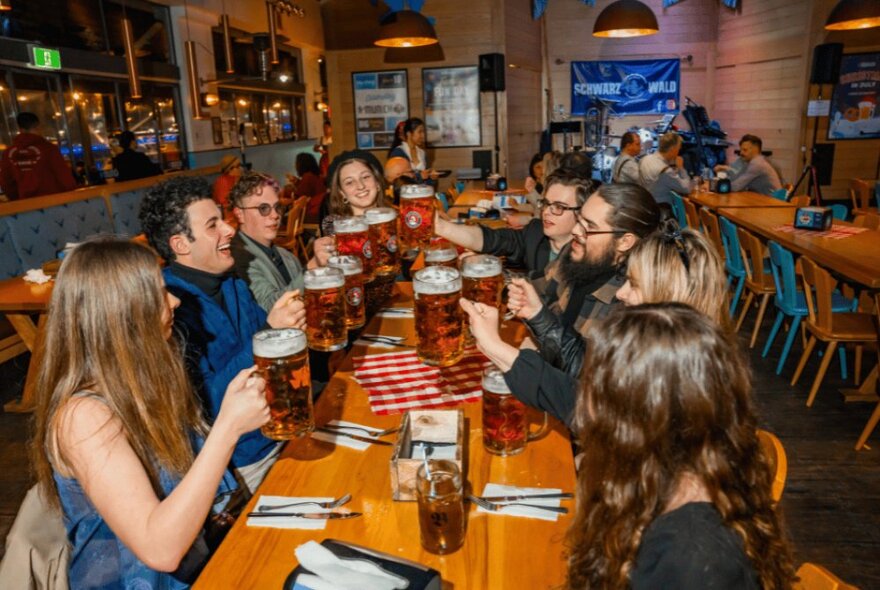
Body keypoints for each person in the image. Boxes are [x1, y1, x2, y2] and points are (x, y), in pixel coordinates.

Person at [32, 238, 270, 587]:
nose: (174, 300)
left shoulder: (149, 379)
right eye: (159, 293)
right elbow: (160, 550)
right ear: (124, 311)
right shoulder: (82, 417)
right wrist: (228, 429)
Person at [566, 303, 796, 588]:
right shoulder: (678, 477)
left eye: (593, 383)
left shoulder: (690, 558)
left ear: (635, 415)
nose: (584, 400)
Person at [463, 220, 727, 428]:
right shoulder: (676, 349)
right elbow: (591, 366)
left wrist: (495, 347)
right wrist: (538, 315)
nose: (621, 293)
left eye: (634, 285)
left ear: (668, 295)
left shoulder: (680, 381)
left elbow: (592, 410)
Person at [140, 175, 305, 492]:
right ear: (180, 244)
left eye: (223, 219)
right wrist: (270, 332)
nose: (229, 229)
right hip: (239, 465)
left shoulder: (231, 282)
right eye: (213, 225)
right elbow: (204, 404)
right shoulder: (168, 309)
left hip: (280, 431)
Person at [435, 168, 594, 279]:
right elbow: (493, 239)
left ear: (582, 213)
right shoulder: (535, 232)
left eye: (559, 207)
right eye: (546, 203)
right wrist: (441, 227)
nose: (546, 212)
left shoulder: (589, 255)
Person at [0, 112, 76, 200]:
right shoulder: (49, 149)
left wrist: (18, 199)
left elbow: (6, 182)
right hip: (54, 201)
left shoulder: (8, 154)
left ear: (20, 129)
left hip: (27, 204)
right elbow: (64, 177)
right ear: (38, 127)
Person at [319, 150, 387, 234]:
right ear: (341, 192)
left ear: (377, 182)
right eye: (349, 182)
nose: (360, 186)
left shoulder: (397, 220)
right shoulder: (340, 233)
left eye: (365, 177)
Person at [714, 134, 783, 196]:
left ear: (755, 150)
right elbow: (736, 177)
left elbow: (736, 186)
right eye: (741, 150)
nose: (741, 153)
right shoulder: (751, 162)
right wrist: (725, 169)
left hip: (775, 203)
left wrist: (714, 185)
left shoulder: (757, 164)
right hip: (767, 200)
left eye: (745, 150)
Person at [638, 131, 690, 206]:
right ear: (673, 149)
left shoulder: (644, 159)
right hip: (661, 209)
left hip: (646, 204)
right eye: (678, 148)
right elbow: (686, 188)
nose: (678, 152)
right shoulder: (665, 171)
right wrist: (681, 168)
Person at [287, 152, 326, 224]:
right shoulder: (314, 175)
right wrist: (297, 182)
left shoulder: (308, 177)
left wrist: (287, 194)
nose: (295, 166)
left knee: (284, 218)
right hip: (319, 211)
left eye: (296, 163)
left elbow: (300, 196)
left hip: (313, 212)